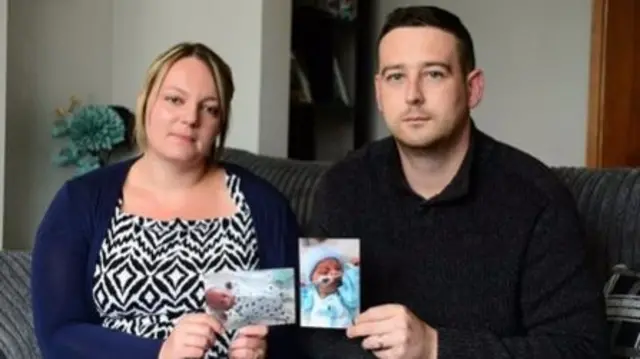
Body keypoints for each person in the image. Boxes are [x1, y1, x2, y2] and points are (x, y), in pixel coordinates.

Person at [306, 5, 608, 359]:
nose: (412, 95)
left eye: (433, 74)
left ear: (472, 88)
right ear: (378, 93)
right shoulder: (343, 186)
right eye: (395, 77)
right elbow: (319, 335)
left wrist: (436, 347)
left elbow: (581, 349)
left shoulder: (537, 199)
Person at [31, 42, 301, 359]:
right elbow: (58, 335)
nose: (190, 118)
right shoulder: (80, 201)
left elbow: (293, 332)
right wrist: (160, 351)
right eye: (175, 100)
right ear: (147, 102)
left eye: (209, 108)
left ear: (220, 124)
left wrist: (263, 351)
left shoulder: (264, 206)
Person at [299, 244, 360, 328]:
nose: (334, 272)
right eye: (324, 271)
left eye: (338, 268)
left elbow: (354, 298)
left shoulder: (345, 293)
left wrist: (353, 268)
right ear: (312, 280)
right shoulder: (310, 294)